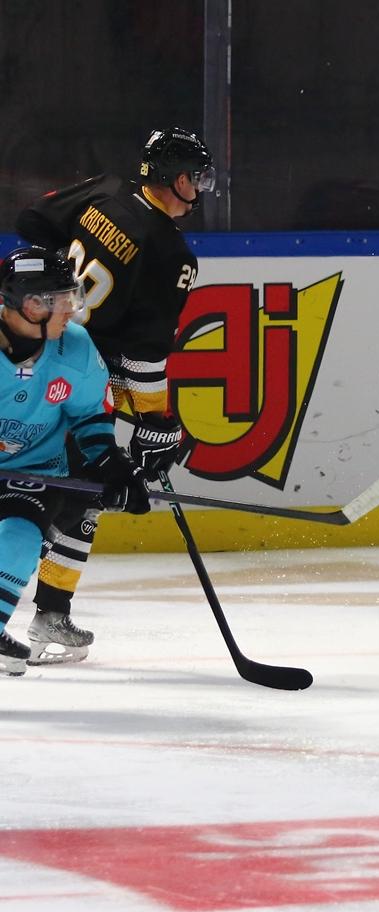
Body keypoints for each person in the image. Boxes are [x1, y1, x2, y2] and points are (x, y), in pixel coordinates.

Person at [14, 127, 207, 663]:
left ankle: (51, 612)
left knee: (72, 490)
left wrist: (53, 299)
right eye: (197, 177)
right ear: (176, 178)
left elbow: (32, 223)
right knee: (83, 493)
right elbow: (142, 355)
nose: (200, 189)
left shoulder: (104, 190)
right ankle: (50, 614)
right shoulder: (171, 253)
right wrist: (155, 422)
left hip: (31, 357)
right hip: (80, 383)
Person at [0, 247, 151, 676]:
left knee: (21, 538)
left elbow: (88, 415)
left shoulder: (76, 348)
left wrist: (110, 465)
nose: (72, 308)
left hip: (36, 472)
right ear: (32, 304)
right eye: (62, 298)